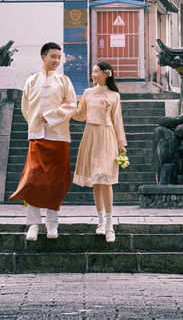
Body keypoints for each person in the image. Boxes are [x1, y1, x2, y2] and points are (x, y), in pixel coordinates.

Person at [9, 42, 77, 240]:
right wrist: (36, 123)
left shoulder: (64, 81)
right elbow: (26, 108)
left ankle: (52, 224)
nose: (57, 60)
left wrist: (52, 116)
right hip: (37, 137)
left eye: (59, 57)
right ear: (43, 57)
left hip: (59, 137)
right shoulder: (31, 81)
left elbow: (72, 105)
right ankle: (33, 224)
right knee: (33, 181)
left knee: (56, 182)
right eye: (53, 56)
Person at [72, 60, 126, 242]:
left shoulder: (114, 95)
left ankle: (110, 225)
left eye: (96, 71)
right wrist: (68, 107)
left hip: (107, 136)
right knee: (96, 180)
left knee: (106, 179)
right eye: (93, 71)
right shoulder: (87, 93)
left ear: (106, 73)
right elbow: (81, 115)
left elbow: (117, 120)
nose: (93, 74)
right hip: (91, 136)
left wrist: (121, 143)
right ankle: (101, 222)